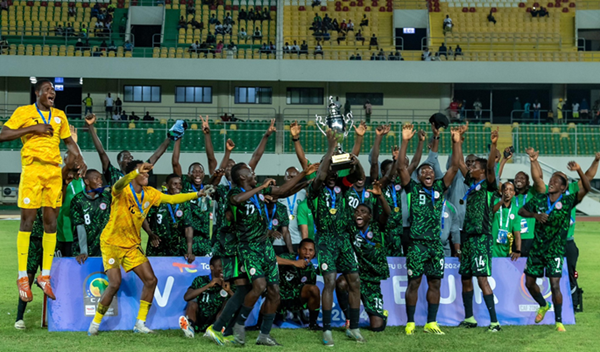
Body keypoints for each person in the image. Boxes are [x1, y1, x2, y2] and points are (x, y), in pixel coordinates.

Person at [87, 161, 208, 336]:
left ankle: (140, 324)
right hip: (111, 243)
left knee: (151, 280)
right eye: (143, 174)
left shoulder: (150, 193)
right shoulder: (121, 190)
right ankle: (95, 323)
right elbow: (119, 184)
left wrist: (196, 194)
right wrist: (135, 171)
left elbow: (172, 199)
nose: (147, 176)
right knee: (114, 283)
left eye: (147, 174)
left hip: (132, 245)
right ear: (134, 174)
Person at [0, 80, 85, 302]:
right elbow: (3, 134)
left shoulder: (60, 116)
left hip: (54, 173)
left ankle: (44, 275)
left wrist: (80, 158)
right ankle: (22, 277)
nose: (52, 92)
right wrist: (32, 129)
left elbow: (69, 142)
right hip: (32, 169)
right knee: (27, 222)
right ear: (37, 93)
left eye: (53, 90)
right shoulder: (24, 112)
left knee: (51, 223)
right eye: (47, 89)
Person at [217, 162, 314, 346]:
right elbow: (237, 201)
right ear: (243, 177)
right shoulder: (234, 193)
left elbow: (283, 191)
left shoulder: (259, 193)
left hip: (266, 247)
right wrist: (261, 187)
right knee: (259, 285)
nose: (255, 174)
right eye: (251, 172)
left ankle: (264, 335)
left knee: (275, 291)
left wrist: (305, 177)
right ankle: (239, 325)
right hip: (249, 247)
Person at [400, 124, 462, 335]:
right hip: (417, 245)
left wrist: (455, 143)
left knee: (435, 283)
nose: (428, 171)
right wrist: (406, 141)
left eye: (431, 170)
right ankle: (410, 322)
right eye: (423, 171)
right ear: (418, 177)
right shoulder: (413, 188)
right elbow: (401, 167)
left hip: (436, 246)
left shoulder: (438, 188)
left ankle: (431, 322)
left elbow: (454, 168)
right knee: (414, 283)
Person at [518, 153, 590, 332]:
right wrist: (535, 215)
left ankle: (558, 321)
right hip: (537, 249)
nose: (551, 183)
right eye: (551, 180)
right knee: (529, 283)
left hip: (555, 250)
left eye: (556, 181)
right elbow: (521, 211)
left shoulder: (567, 201)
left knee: (555, 284)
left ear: (563, 187)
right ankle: (543, 304)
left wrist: (580, 170)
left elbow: (587, 188)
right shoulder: (540, 199)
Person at [308, 129, 366, 346]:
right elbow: (321, 175)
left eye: (334, 170)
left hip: (343, 239)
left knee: (355, 281)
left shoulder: (342, 186)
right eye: (329, 168)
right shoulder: (314, 189)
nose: (331, 174)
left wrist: (355, 161)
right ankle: (327, 330)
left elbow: (359, 176)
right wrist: (330, 151)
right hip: (325, 240)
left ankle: (354, 327)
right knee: (330, 282)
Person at [458, 128, 501, 332]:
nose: (470, 167)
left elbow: (491, 167)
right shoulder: (472, 183)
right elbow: (458, 163)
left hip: (481, 238)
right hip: (468, 237)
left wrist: (493, 145)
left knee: (481, 278)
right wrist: (456, 141)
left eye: (474, 166)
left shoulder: (489, 185)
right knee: (465, 277)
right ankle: (470, 318)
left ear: (482, 171)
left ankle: (494, 322)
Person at [336, 179, 391, 332]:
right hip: (356, 276)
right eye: (357, 212)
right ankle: (348, 318)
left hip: (372, 279)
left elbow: (387, 213)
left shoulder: (377, 226)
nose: (359, 214)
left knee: (377, 327)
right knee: (341, 283)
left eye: (363, 212)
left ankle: (381, 315)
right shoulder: (351, 228)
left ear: (369, 217)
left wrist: (380, 196)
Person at [171, 115, 220, 257]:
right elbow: (175, 162)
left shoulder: (208, 188)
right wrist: (178, 138)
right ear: (189, 174)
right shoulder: (184, 185)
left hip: (205, 240)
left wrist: (207, 135)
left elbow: (211, 160)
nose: (198, 174)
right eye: (194, 171)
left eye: (200, 171)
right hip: (185, 239)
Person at [84, 113, 172, 187]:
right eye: (126, 157)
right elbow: (101, 152)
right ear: (119, 161)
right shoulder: (113, 173)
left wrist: (170, 137)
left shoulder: (138, 172)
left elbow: (156, 156)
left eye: (131, 157)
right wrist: (91, 127)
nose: (129, 159)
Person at [179, 256, 234, 338]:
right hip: (199, 319)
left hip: (217, 319)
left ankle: (217, 329)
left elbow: (239, 303)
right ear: (212, 267)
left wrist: (229, 291)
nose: (223, 269)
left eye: (225, 266)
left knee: (228, 303)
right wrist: (208, 285)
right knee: (192, 302)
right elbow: (187, 297)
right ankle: (190, 328)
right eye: (220, 266)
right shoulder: (200, 280)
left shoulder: (229, 283)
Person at [275, 238, 320, 329]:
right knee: (272, 294)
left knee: (314, 289)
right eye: (304, 249)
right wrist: (294, 263)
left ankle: (313, 324)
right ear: (298, 250)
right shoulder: (288, 257)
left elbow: (310, 292)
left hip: (295, 300)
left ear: (314, 253)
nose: (307, 253)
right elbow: (272, 259)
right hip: (279, 296)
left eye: (311, 250)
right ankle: (259, 325)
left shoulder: (311, 269)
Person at [69, 169, 111, 264]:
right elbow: (79, 226)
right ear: (87, 181)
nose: (100, 181)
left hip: (105, 250)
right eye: (96, 179)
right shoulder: (78, 200)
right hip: (84, 251)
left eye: (100, 178)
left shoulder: (107, 197)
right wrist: (83, 251)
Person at [491, 182, 521, 259]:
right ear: (501, 191)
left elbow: (517, 233)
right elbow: (491, 212)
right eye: (506, 189)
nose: (508, 192)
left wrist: (518, 250)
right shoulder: (494, 202)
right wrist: (501, 201)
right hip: (492, 246)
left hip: (506, 249)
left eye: (511, 190)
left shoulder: (516, 210)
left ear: (514, 193)